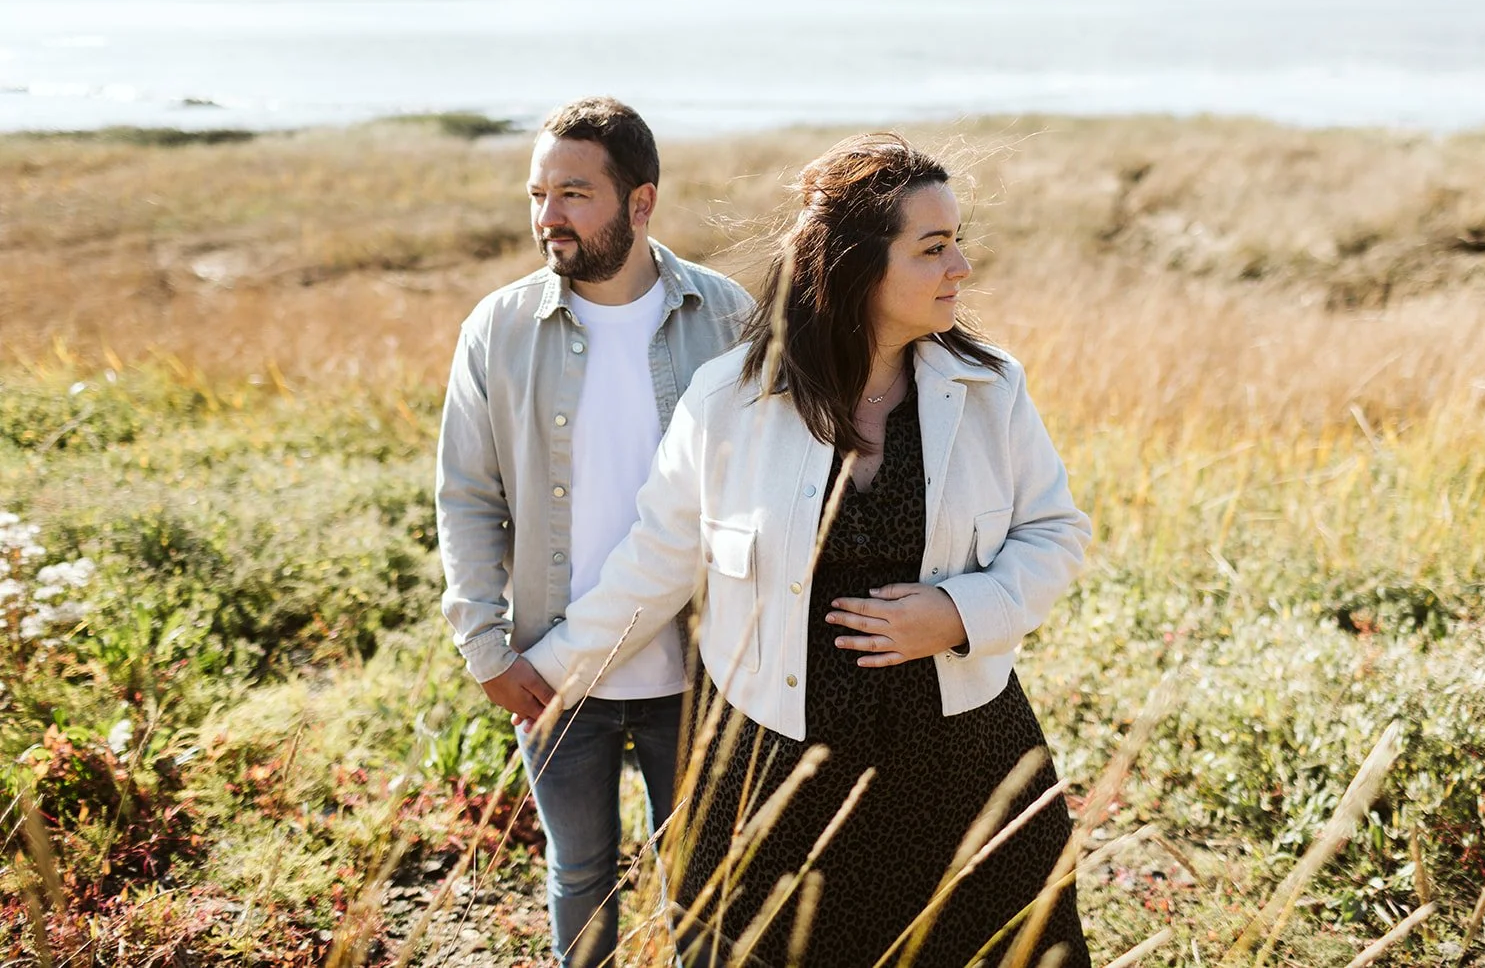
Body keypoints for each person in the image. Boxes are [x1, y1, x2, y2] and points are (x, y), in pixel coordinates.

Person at [521, 133, 1093, 967]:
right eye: (933, 248)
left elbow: (1055, 531)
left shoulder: (990, 387)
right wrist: (554, 671)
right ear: (857, 267)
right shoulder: (732, 400)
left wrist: (958, 614)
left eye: (957, 241)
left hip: (961, 754)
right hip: (776, 763)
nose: (961, 266)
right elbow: (660, 557)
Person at [435, 95, 752, 968]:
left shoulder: (730, 319)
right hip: (551, 672)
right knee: (578, 875)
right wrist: (486, 649)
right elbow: (466, 495)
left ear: (640, 201)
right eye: (537, 195)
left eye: (573, 194)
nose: (548, 219)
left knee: (702, 882)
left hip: (701, 672)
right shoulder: (497, 329)